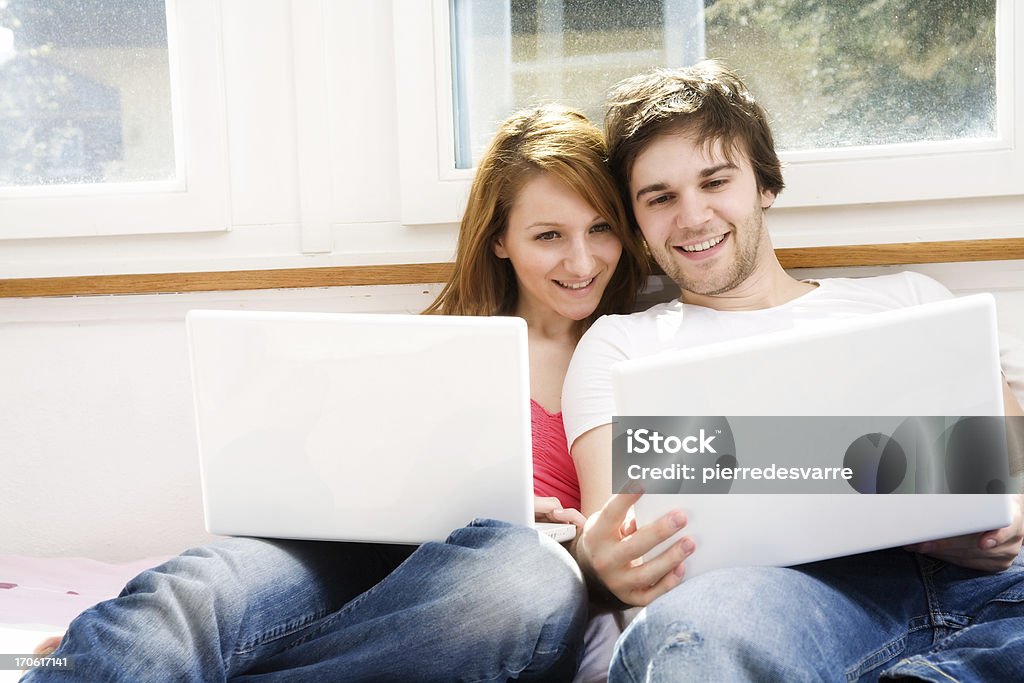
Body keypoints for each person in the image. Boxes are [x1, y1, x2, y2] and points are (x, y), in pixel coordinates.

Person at [22, 104, 648, 682]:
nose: (582, 260)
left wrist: (537, 526)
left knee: (526, 578)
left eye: (600, 229)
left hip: (495, 578)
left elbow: (625, 543)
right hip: (358, 558)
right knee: (198, 589)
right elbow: (337, 490)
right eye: (548, 236)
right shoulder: (426, 347)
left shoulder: (635, 351)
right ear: (498, 241)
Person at [561, 60, 1024, 681]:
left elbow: (1013, 464)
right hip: (781, 603)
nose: (693, 217)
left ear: (764, 186)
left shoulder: (911, 299)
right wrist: (603, 566)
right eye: (661, 198)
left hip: (983, 585)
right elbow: (616, 528)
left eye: (715, 181)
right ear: (638, 222)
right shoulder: (621, 346)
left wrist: (1007, 519)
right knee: (686, 637)